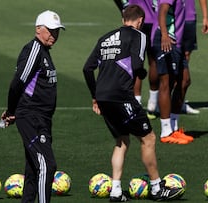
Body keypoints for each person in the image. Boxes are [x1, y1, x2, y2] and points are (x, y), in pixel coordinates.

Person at [83, 5, 182, 202]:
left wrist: (95, 96)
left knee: (122, 141)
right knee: (148, 138)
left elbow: (87, 68)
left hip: (103, 96)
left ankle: (116, 191)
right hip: (121, 96)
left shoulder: (105, 38)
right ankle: (156, 188)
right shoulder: (139, 35)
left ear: (123, 20)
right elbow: (138, 64)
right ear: (140, 21)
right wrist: (143, 73)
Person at [0, 10, 65, 203]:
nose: (54, 34)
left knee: (33, 167)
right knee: (47, 165)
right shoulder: (34, 49)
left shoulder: (44, 51)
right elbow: (17, 83)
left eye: (57, 31)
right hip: (31, 116)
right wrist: (11, 111)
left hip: (42, 118)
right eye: (51, 30)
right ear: (38, 29)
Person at [151, 0, 194, 144]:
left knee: (185, 81)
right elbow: (163, 10)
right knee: (166, 83)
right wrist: (164, 35)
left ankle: (174, 128)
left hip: (177, 43)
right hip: (166, 40)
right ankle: (165, 131)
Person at [113, 0, 159, 108]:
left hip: (134, 19)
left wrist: (124, 8)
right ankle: (153, 102)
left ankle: (136, 100)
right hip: (154, 20)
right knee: (154, 61)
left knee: (136, 60)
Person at [179, 0, 208, 115]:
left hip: (189, 17)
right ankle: (160, 100)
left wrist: (205, 17)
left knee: (186, 57)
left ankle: (179, 101)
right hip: (173, 18)